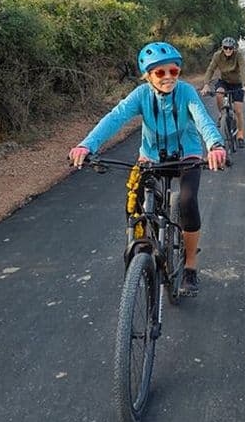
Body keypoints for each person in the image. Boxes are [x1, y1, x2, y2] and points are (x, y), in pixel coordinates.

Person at [69, 42, 227, 296]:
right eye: (159, 73)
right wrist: (87, 145)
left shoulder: (186, 92)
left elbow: (203, 120)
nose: (167, 78)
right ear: (148, 76)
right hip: (151, 158)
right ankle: (146, 251)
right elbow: (115, 118)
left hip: (187, 155)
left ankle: (189, 266)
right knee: (138, 206)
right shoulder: (141, 95)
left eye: (173, 71)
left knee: (187, 202)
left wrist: (216, 145)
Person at [200, 37, 245, 148]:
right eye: (225, 48)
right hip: (224, 82)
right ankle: (221, 113)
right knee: (219, 93)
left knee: (238, 110)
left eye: (230, 48)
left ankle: (240, 134)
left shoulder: (238, 56)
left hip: (237, 83)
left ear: (234, 48)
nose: (228, 50)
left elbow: (243, 69)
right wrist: (206, 84)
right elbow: (210, 69)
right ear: (222, 48)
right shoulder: (217, 56)